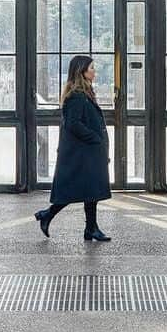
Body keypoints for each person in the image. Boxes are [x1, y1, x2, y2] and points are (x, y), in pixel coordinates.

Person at [35, 54, 112, 242]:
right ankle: (48, 215)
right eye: (92, 68)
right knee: (78, 189)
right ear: (82, 71)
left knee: (90, 190)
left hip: (88, 152)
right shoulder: (77, 96)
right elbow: (73, 124)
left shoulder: (84, 92)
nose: (95, 71)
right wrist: (95, 139)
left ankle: (90, 228)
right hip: (83, 153)